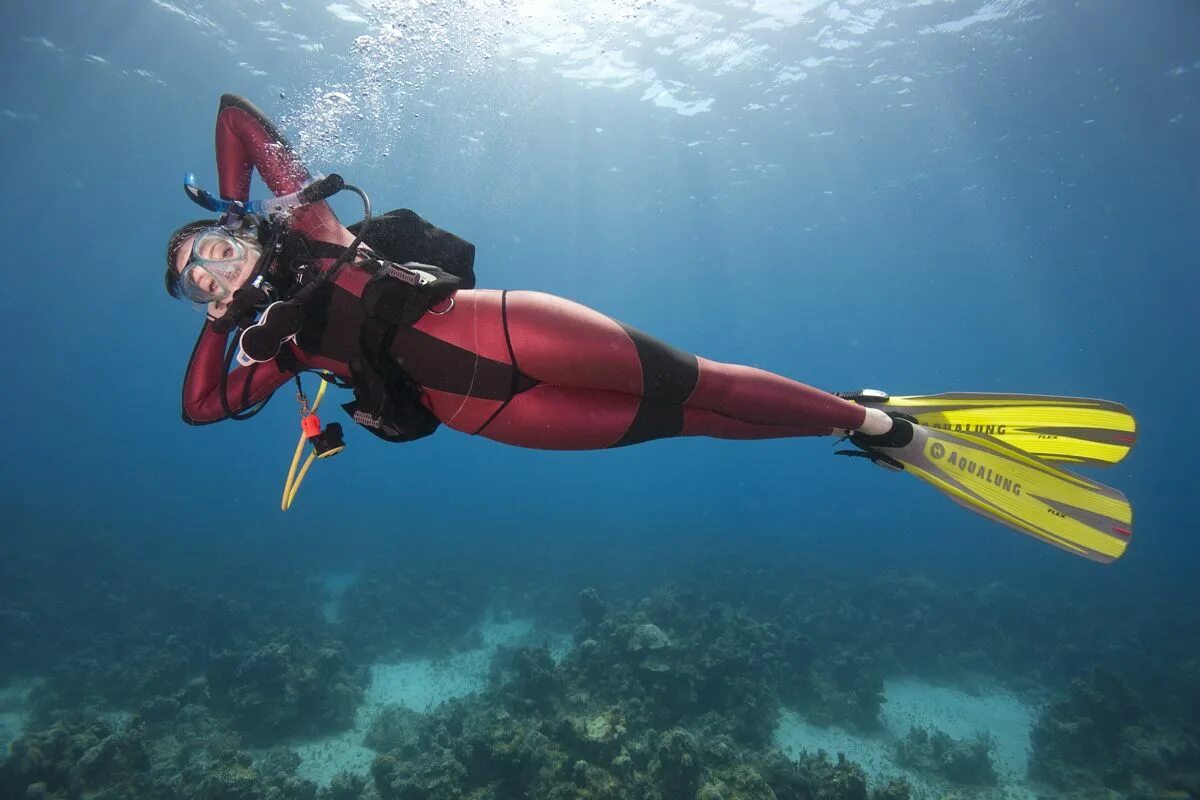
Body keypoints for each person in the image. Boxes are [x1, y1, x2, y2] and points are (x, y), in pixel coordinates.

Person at [168, 94, 1136, 563]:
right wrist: (222, 322)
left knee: (701, 380)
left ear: (226, 224)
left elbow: (235, 116)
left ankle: (883, 423)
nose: (208, 268)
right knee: (692, 421)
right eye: (192, 280)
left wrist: (242, 209)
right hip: (487, 413)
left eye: (205, 246)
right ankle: (854, 427)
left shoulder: (302, 219)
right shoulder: (275, 346)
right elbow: (201, 409)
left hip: (509, 329)